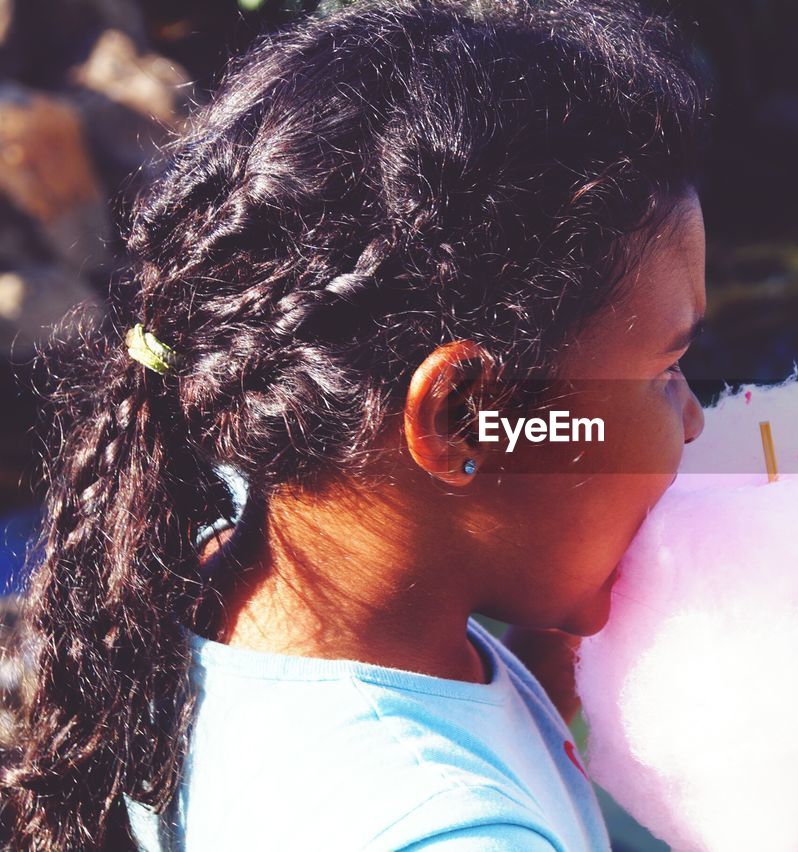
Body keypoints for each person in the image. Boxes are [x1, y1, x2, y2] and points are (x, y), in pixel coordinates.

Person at [0, 0, 709, 848]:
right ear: (459, 416)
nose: (697, 417)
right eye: (667, 370)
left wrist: (544, 668)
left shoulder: (220, 546)